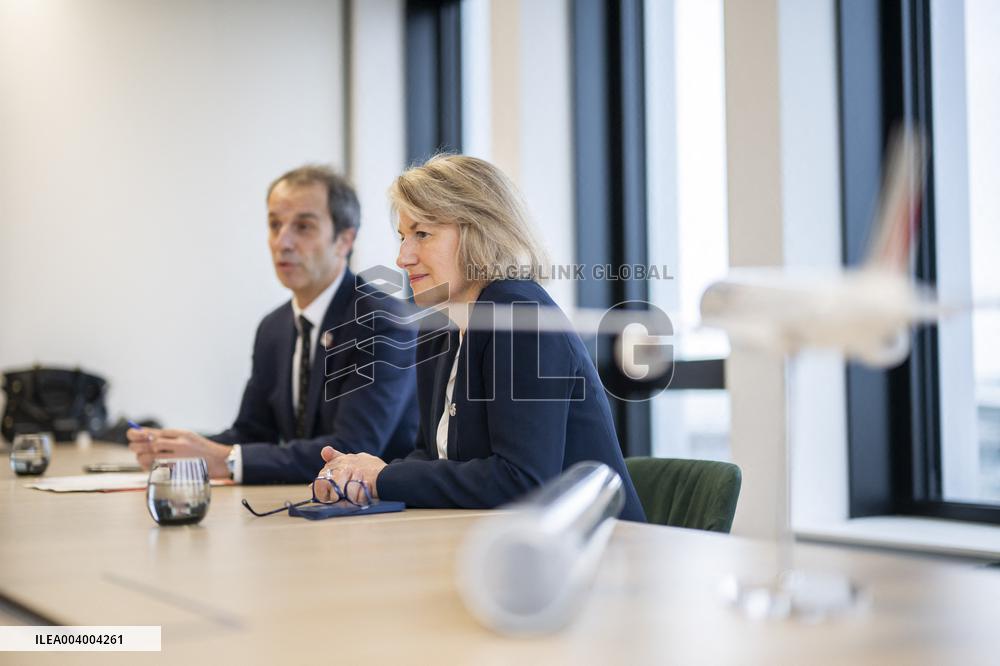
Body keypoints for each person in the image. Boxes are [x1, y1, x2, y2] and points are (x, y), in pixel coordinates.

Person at [314, 155, 645, 522]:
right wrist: (363, 473)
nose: (402, 257)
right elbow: (432, 456)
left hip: (593, 555)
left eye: (422, 234)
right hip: (504, 547)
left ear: (479, 231)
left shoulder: (519, 316)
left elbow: (523, 482)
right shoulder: (443, 325)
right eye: (403, 236)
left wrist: (386, 478)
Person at [128, 166, 418, 482]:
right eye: (274, 225)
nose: (283, 241)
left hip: (379, 517)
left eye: (303, 227)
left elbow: (351, 449)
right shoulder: (274, 327)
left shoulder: (383, 322)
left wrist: (226, 459)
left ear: (344, 240)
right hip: (306, 507)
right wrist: (180, 448)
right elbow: (252, 432)